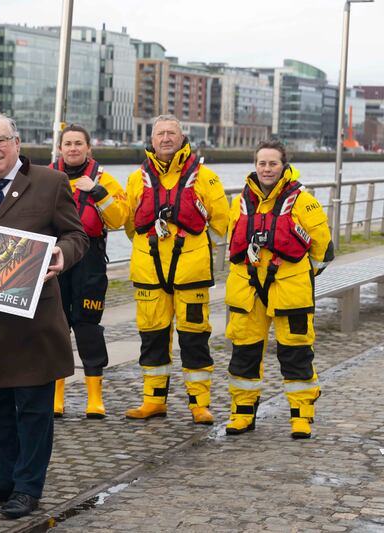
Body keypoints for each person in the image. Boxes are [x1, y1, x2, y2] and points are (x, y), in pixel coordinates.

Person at [0, 113, 88, 519]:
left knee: (33, 409)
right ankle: (4, 478)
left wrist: (62, 255)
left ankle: (28, 487)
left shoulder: (50, 183)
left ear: (16, 142)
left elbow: (77, 234)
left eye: (0, 141)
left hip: (32, 321)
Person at [123, 114, 229, 425]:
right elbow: (130, 225)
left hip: (190, 272)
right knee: (152, 337)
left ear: (182, 137)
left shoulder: (205, 177)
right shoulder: (135, 179)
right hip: (149, 273)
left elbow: (222, 222)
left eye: (172, 133)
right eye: (160, 134)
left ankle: (200, 404)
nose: (166, 138)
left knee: (194, 338)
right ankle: (153, 401)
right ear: (152, 140)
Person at [224, 140, 333, 439]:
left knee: (295, 353)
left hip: (289, 288)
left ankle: (301, 417)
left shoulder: (302, 200)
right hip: (248, 288)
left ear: (284, 165)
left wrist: (302, 273)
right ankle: (242, 414)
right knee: (244, 352)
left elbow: (323, 247)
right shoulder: (240, 202)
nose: (267, 168)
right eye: (262, 163)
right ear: (255, 165)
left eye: (273, 163)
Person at [49, 124, 130, 419]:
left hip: (90, 260)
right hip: (54, 258)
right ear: (60, 148)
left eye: (78, 143)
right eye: (67, 143)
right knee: (55, 326)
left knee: (88, 326)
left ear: (88, 148)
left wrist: (97, 192)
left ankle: (94, 397)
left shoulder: (104, 180)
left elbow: (120, 217)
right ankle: (56, 395)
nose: (72, 148)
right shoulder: (46, 177)